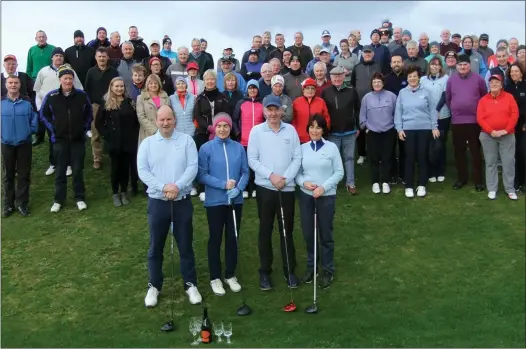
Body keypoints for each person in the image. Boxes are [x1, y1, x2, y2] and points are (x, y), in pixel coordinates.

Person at [138, 105, 202, 307]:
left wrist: (178, 186)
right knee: (156, 246)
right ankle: (154, 286)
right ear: (156, 121)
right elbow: (143, 171)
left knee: (185, 246)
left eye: (169, 119)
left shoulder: (186, 141)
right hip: (158, 202)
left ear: (174, 119)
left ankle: (190, 284)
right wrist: (164, 187)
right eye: (161, 120)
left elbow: (192, 167)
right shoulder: (148, 143)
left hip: (181, 202)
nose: (165, 123)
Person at [247, 95, 302, 290]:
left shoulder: (291, 131)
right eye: (269, 110)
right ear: (264, 111)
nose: (272, 113)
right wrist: (271, 176)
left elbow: (297, 158)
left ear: (281, 111)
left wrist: (285, 178)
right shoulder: (256, 131)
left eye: (275, 110)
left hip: (286, 189)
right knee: (265, 230)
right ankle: (265, 272)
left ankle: (290, 270)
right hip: (265, 188)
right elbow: (252, 159)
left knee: (286, 230)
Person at [197, 113, 249, 295]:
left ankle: (230, 274)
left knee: (232, 237)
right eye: (219, 126)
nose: (222, 129)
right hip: (215, 202)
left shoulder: (238, 148)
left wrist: (239, 188)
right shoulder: (206, 148)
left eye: (225, 126)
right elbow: (202, 174)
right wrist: (223, 184)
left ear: (230, 128)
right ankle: (215, 277)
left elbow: (245, 172)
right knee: (215, 238)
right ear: (214, 128)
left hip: (235, 200)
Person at [295, 114, 343, 288]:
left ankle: (327, 269)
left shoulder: (331, 148)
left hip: (326, 196)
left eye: (318, 127)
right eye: (312, 127)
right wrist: (304, 183)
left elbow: (339, 172)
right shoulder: (302, 148)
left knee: (325, 235)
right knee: (309, 234)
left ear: (323, 130)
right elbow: (297, 173)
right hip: (306, 196)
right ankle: (312, 267)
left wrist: (323, 187)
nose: (314, 130)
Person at [40, 66, 92, 212]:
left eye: (70, 78)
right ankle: (58, 200)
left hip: (77, 140)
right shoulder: (52, 96)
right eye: (65, 78)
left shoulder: (81, 95)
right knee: (60, 171)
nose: (68, 81)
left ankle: (80, 198)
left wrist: (84, 127)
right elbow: (43, 115)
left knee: (77, 171)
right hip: (60, 140)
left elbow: (89, 113)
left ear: (73, 80)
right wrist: (53, 129)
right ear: (60, 80)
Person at [34, 48, 83, 176]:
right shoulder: (43, 71)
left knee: (68, 139)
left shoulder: (70, 71)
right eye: (56, 55)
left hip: (68, 111)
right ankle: (53, 163)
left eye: (61, 56)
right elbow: (37, 90)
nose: (59, 58)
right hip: (50, 111)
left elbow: (79, 88)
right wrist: (40, 108)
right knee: (52, 138)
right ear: (52, 58)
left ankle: (68, 165)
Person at [395, 66, 440, 198]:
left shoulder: (426, 92)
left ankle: (421, 185)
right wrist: (399, 129)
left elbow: (432, 110)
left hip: (424, 129)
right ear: (407, 79)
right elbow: (398, 112)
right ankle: (409, 185)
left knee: (422, 157)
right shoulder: (402, 93)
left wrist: (434, 127)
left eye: (414, 76)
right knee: (409, 158)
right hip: (408, 129)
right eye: (410, 77)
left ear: (419, 77)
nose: (412, 79)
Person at [95, 77, 140, 207]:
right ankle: (115, 193)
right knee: (115, 168)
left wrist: (134, 135)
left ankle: (124, 191)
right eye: (117, 86)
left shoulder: (130, 102)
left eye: (121, 86)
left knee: (125, 168)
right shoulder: (105, 103)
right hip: (113, 142)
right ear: (111, 87)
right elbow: (98, 123)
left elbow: (135, 121)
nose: (119, 88)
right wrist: (106, 135)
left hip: (128, 141)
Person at [446, 54, 487, 191]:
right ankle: (461, 179)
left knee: (475, 151)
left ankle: (478, 181)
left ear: (469, 65)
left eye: (465, 64)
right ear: (456, 66)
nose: (462, 67)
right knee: (459, 151)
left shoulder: (478, 79)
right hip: (457, 121)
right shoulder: (451, 80)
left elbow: (483, 97)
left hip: (474, 121)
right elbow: (448, 98)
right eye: (460, 65)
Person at [477, 74, 519, 200]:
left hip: (507, 135)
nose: (494, 84)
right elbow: (480, 118)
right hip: (488, 135)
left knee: (509, 162)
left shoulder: (509, 97)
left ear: (501, 85)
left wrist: (505, 130)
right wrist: (491, 131)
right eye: (491, 82)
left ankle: (510, 189)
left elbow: (514, 115)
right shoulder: (483, 100)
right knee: (490, 162)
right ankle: (492, 188)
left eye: (497, 82)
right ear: (488, 85)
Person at [1, 75, 38, 217]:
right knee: (8, 175)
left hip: (24, 144)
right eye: (10, 82)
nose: (13, 85)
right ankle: (8, 205)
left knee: (23, 175)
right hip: (6, 144)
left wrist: (29, 131)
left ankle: (22, 204)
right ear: (6, 85)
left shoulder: (27, 102)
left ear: (20, 85)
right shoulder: (1, 102)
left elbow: (34, 120)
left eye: (16, 83)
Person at [193, 69, 232, 200]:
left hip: (221, 133)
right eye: (207, 79)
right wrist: (210, 127)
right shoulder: (200, 97)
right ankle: (202, 188)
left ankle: (220, 185)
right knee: (204, 161)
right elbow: (197, 116)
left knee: (218, 161)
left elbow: (226, 114)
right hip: (204, 133)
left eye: (212, 79)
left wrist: (218, 128)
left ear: (216, 81)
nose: (210, 81)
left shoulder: (223, 97)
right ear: (204, 81)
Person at [322, 66, 360, 194]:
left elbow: (358, 109)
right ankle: (333, 183)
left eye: (339, 76)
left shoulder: (352, 90)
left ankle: (350, 183)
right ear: (330, 78)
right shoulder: (326, 92)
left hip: (349, 130)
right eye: (334, 76)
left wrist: (358, 127)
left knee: (349, 157)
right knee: (333, 159)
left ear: (344, 77)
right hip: (333, 132)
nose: (337, 78)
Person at [359, 72, 397, 194]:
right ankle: (375, 182)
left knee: (387, 157)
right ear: (371, 84)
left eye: (379, 82)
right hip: (372, 132)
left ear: (383, 83)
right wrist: (365, 128)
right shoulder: (366, 98)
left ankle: (385, 182)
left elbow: (397, 113)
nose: (377, 84)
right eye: (374, 82)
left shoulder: (391, 96)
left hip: (388, 131)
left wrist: (395, 127)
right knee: (374, 158)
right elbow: (362, 116)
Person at [84, 47, 119, 170]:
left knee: (113, 132)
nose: (102, 58)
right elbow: (87, 90)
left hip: (111, 104)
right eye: (99, 56)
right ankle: (97, 159)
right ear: (96, 57)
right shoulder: (91, 72)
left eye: (104, 56)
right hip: (95, 106)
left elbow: (118, 87)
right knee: (95, 134)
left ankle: (113, 156)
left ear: (107, 57)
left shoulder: (113, 71)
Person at [420, 57, 450, 182]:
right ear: (429, 66)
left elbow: (444, 96)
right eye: (433, 65)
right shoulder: (422, 79)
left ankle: (440, 170)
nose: (435, 67)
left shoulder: (446, 78)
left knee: (440, 144)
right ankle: (431, 171)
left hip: (442, 115)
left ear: (440, 66)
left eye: (437, 65)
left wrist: (436, 110)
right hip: (426, 116)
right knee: (430, 144)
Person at [232, 80, 264, 198]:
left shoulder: (262, 103)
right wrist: (237, 132)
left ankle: (255, 188)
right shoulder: (241, 103)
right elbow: (234, 119)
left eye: (254, 88)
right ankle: (245, 188)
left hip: (259, 141)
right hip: (244, 140)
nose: (252, 90)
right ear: (247, 90)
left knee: (257, 165)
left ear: (258, 89)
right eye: (250, 88)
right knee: (245, 166)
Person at [351, 45, 382, 165]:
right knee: (361, 129)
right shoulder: (357, 67)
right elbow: (353, 83)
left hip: (376, 103)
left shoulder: (378, 66)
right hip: (360, 103)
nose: (367, 55)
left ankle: (376, 153)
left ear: (373, 54)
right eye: (365, 53)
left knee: (375, 129)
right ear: (362, 54)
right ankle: (362, 154)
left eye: (369, 53)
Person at [505, 63, 526, 191]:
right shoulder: (507, 88)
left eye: (516, 71)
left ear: (522, 73)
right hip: (512, 126)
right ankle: (517, 181)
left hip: (524, 126)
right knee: (514, 154)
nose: (513, 73)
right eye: (511, 71)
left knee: (523, 153)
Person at [292, 78, 330, 144]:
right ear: (303, 90)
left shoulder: (321, 102)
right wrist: (295, 133)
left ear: (315, 90)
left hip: (317, 137)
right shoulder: (296, 102)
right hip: (300, 138)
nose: (310, 90)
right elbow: (293, 120)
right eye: (307, 88)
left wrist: (324, 132)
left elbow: (326, 118)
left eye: (312, 88)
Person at [137, 74, 171, 146]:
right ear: (147, 84)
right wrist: (155, 130)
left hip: (164, 131)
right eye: (151, 83)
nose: (153, 85)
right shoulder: (141, 98)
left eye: (155, 83)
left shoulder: (165, 97)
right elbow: (141, 116)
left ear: (159, 84)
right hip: (148, 132)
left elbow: (169, 113)